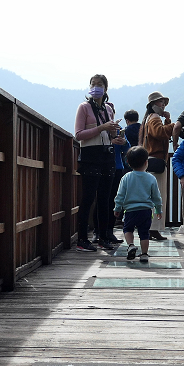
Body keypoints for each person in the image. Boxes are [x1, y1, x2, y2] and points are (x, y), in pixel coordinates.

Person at [74, 74, 126, 251]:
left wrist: (116, 138)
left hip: (107, 156)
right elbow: (79, 134)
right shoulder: (84, 108)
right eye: (93, 84)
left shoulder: (108, 109)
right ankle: (82, 239)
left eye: (99, 84)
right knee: (88, 198)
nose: (96, 87)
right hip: (90, 156)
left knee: (105, 199)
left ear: (105, 89)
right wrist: (101, 128)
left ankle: (103, 236)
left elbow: (109, 135)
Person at [113, 146, 163, 264]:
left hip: (130, 210)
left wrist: (117, 208)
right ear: (146, 162)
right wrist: (158, 209)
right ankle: (144, 254)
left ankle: (131, 245)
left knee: (127, 229)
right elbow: (156, 196)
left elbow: (120, 195)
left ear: (128, 162)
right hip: (146, 211)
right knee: (144, 233)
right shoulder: (151, 178)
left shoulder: (126, 177)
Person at [138, 91, 174, 241]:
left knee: (152, 196)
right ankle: (154, 228)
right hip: (156, 160)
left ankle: (150, 228)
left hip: (149, 161)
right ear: (153, 105)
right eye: (160, 102)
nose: (163, 105)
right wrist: (173, 125)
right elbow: (159, 133)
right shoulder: (154, 118)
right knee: (158, 197)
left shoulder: (148, 118)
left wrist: (167, 121)